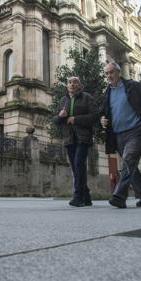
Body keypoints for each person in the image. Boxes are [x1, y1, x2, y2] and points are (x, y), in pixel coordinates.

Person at [101, 62, 141, 209]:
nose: (109, 76)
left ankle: (119, 196)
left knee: (128, 160)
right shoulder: (106, 93)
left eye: (111, 72)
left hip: (135, 130)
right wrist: (101, 119)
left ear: (118, 72)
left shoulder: (133, 86)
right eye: (106, 73)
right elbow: (102, 112)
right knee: (130, 164)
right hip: (117, 134)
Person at [53, 76, 98, 207]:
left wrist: (75, 120)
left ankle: (78, 197)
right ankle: (87, 196)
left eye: (75, 82)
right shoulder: (63, 100)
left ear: (79, 85)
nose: (72, 84)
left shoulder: (87, 97)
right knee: (77, 167)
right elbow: (56, 121)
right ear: (67, 85)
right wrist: (60, 116)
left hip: (83, 137)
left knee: (79, 163)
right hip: (69, 138)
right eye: (69, 82)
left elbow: (94, 116)